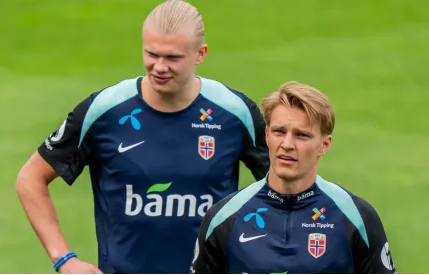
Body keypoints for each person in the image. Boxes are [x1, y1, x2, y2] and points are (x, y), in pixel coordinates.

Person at [15, 0, 269, 273]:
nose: (159, 66)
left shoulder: (234, 112)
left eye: (172, 58)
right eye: (151, 54)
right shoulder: (104, 111)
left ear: (200, 54)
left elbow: (287, 187)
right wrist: (64, 259)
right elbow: (30, 179)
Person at [191, 81, 396, 274]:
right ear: (267, 135)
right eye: (279, 131)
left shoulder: (356, 217)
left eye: (301, 135)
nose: (287, 144)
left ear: (324, 145)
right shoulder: (224, 217)